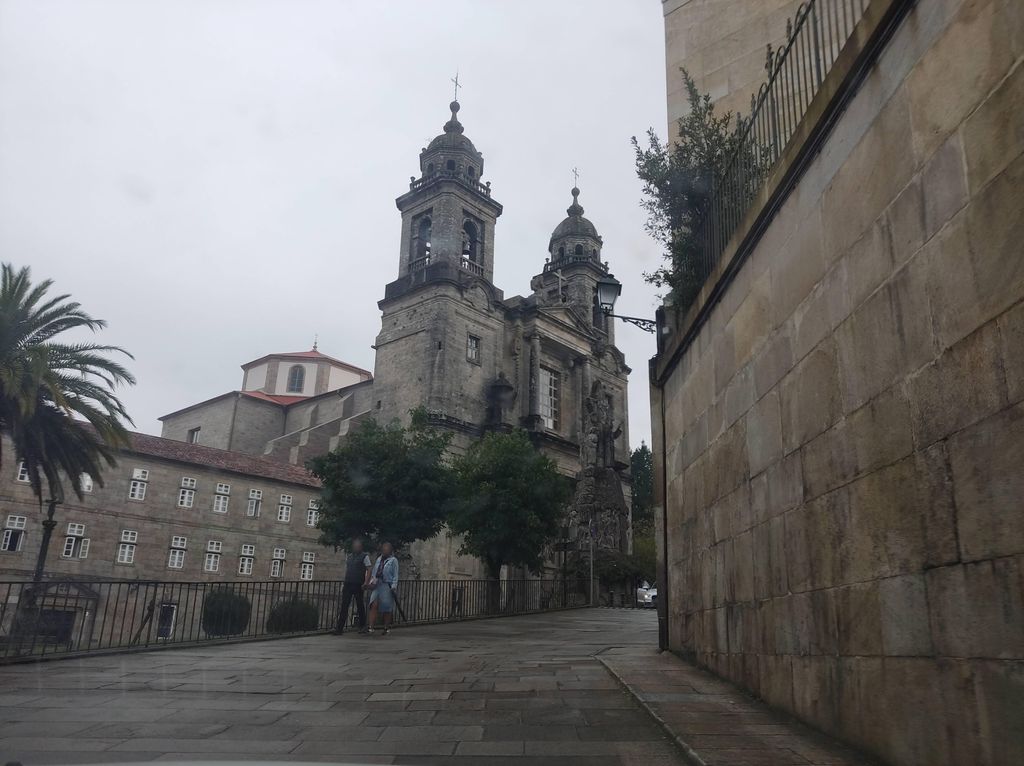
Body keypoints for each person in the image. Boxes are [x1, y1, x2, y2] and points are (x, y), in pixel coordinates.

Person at [334, 538, 370, 635]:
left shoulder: (364, 556)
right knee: (344, 606)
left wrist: (366, 582)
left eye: (358, 546)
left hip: (358, 584)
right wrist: (343, 582)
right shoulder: (349, 556)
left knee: (360, 606)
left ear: (361, 547)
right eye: (355, 546)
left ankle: (363, 626)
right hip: (348, 583)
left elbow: (369, 569)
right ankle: (339, 628)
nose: (356, 547)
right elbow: (347, 569)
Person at [366, 541, 399, 635]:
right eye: (383, 549)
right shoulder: (379, 559)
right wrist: (371, 582)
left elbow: (395, 575)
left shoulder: (393, 560)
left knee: (386, 607)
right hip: (377, 584)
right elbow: (374, 572)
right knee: (373, 604)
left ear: (390, 551)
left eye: (386, 549)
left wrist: (393, 586)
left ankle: (386, 627)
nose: (384, 551)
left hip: (386, 585)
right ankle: (370, 627)